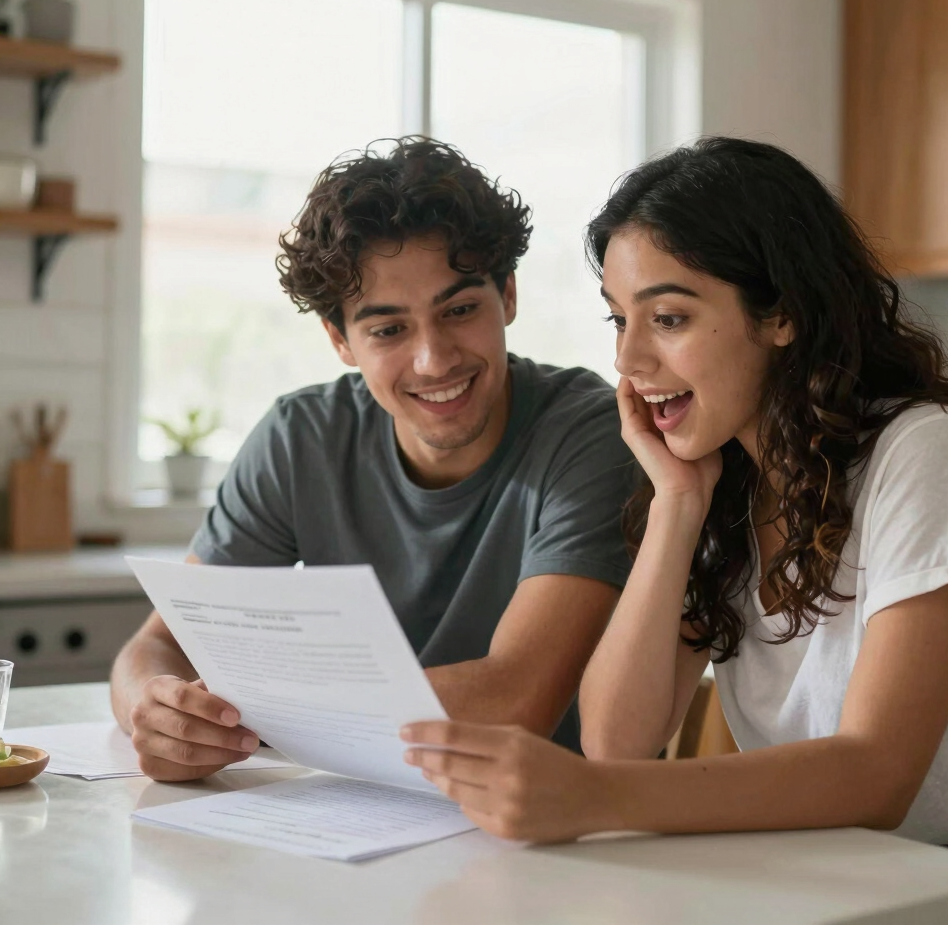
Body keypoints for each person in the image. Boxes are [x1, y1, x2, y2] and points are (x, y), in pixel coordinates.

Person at [402, 137, 948, 873]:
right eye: (618, 320)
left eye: (668, 319)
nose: (629, 362)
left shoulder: (923, 451)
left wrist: (596, 797)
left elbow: (876, 776)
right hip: (816, 875)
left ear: (781, 315)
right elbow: (617, 739)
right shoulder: (720, 479)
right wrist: (674, 503)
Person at [112, 137, 633, 782]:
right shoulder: (300, 437)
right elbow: (160, 645)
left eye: (461, 310)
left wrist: (258, 706)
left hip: (537, 834)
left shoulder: (591, 431)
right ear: (341, 341)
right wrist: (157, 711)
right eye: (388, 329)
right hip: (347, 812)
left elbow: (512, 701)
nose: (434, 360)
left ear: (509, 296)